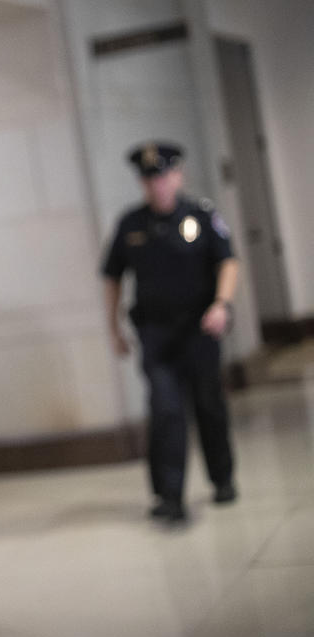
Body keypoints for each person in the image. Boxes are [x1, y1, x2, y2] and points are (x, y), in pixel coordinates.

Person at [101, 142, 239, 523]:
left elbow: (227, 261)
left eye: (162, 176)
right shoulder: (130, 224)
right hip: (156, 333)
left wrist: (221, 305)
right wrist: (113, 327)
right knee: (165, 410)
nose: (156, 185)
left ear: (178, 175)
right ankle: (169, 495)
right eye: (148, 179)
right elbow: (112, 277)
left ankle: (222, 477)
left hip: (200, 329)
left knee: (208, 405)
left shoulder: (203, 215)